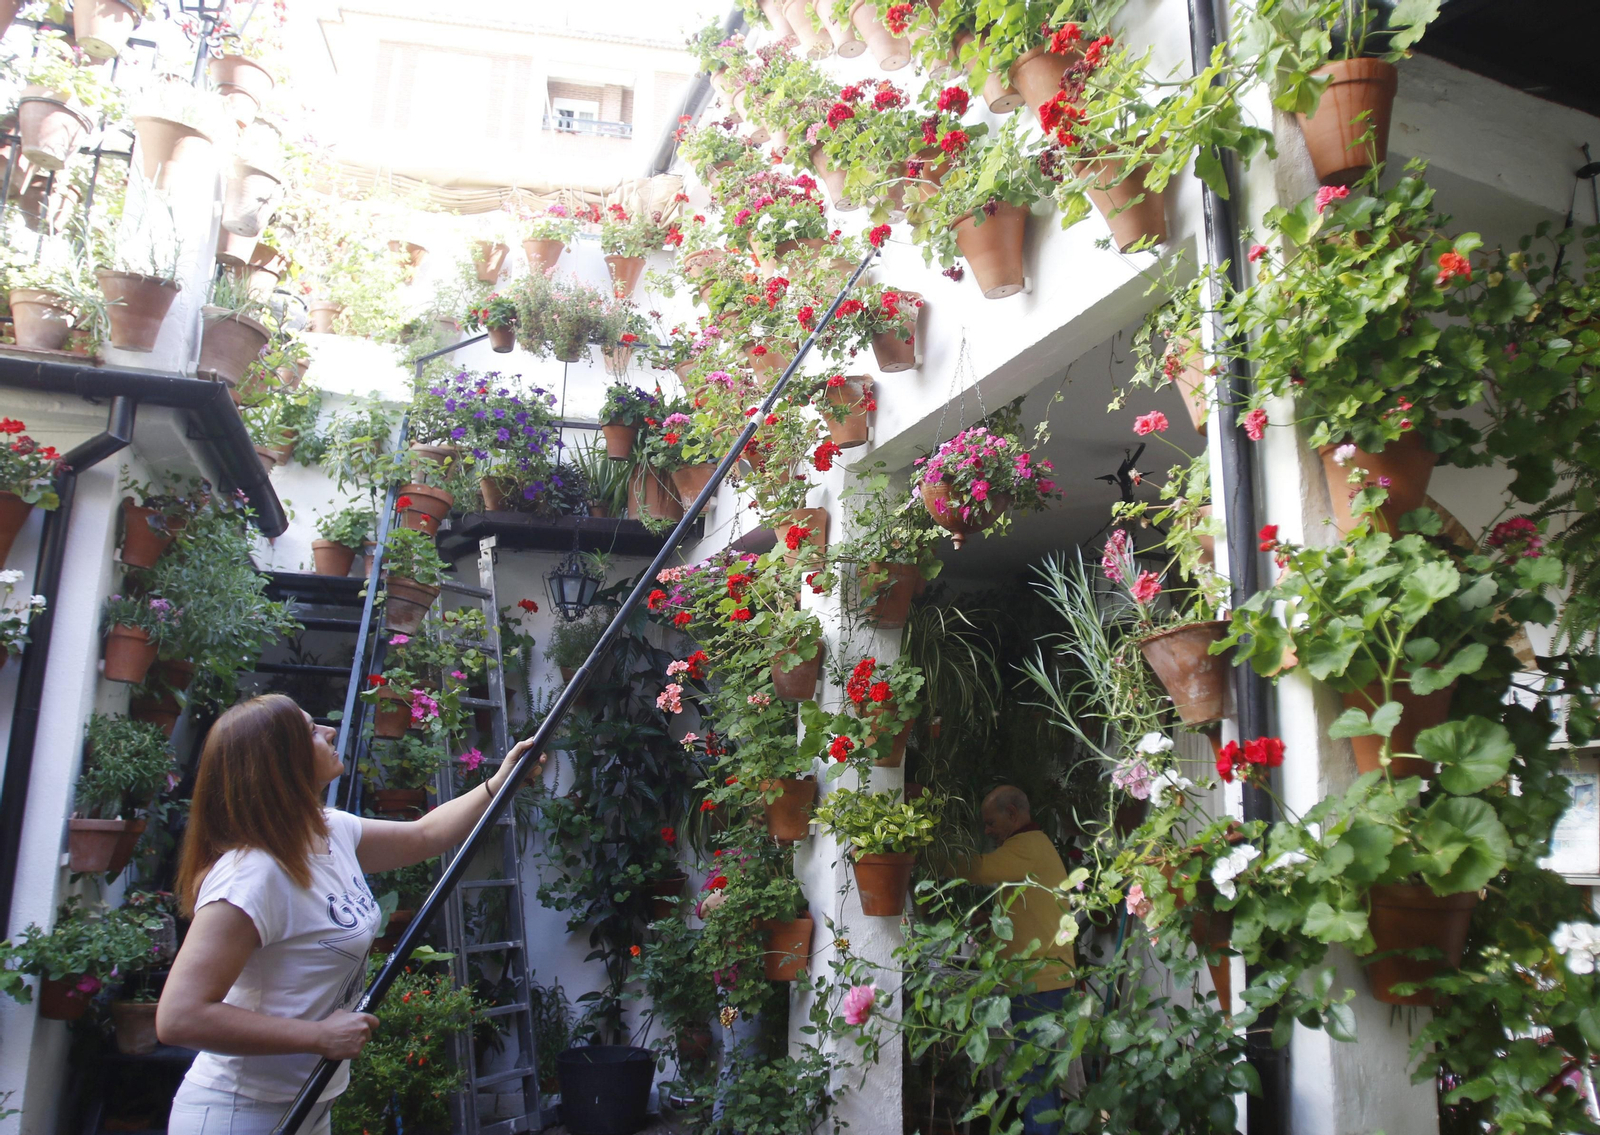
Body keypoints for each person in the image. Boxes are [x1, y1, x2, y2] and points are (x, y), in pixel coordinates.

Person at [156, 694, 543, 1135]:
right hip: (240, 1113)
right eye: (310, 729)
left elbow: (424, 835)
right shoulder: (251, 875)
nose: (330, 730)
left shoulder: (328, 831)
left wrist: (499, 782)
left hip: (311, 1105)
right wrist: (317, 1037)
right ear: (279, 761)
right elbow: (179, 1017)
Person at [956, 785, 1078, 1135]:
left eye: (991, 823)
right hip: (1049, 979)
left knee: (1034, 1078)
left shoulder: (1026, 846)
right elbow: (1026, 904)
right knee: (1042, 1080)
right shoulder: (1034, 846)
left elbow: (979, 870)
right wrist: (992, 921)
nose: (988, 831)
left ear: (1012, 814)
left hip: (1037, 983)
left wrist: (932, 854)